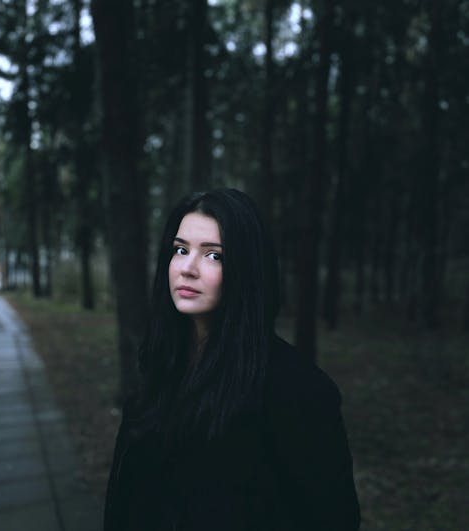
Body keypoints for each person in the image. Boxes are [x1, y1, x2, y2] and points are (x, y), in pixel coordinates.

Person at [104, 189, 361, 531]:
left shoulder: (297, 389)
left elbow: (332, 518)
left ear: (246, 270)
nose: (188, 268)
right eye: (180, 250)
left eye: (214, 256)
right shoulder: (162, 366)